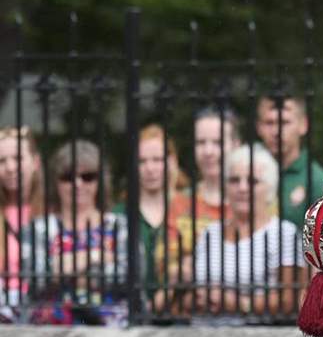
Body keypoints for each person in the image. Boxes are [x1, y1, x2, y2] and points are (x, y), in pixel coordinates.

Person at [21, 140, 130, 326]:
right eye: (67, 177)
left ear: (100, 181)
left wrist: (61, 268)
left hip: (112, 331)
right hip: (48, 332)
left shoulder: (120, 227)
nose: (78, 184)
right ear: (56, 182)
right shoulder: (38, 228)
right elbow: (36, 279)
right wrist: (96, 255)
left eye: (87, 177)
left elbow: (127, 279)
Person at [190, 143, 301, 321]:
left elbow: (289, 300)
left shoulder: (284, 234)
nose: (242, 188)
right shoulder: (210, 233)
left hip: (254, 334)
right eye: (234, 180)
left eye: (252, 181)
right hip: (197, 332)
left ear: (270, 188)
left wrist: (236, 303)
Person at [113, 125, 191, 316]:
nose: (150, 168)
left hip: (182, 316)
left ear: (172, 161)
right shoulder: (119, 214)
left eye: (157, 160)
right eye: (142, 161)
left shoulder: (190, 208)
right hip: (132, 315)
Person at [256, 95, 323, 227]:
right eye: (269, 123)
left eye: (284, 122)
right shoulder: (245, 174)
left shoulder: (318, 181)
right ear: (258, 127)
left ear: (303, 125)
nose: (276, 131)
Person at [178, 106, 243, 254]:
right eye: (201, 142)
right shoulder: (179, 202)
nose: (208, 151)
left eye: (217, 143)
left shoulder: (258, 201)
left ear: (236, 145)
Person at [1, 126, 42, 316]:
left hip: (42, 307)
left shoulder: (54, 211)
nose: (10, 167)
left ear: (35, 162)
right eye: (1, 161)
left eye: (17, 158)